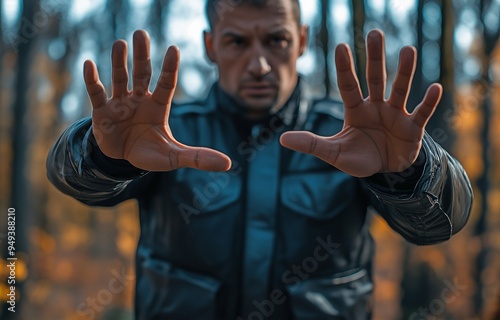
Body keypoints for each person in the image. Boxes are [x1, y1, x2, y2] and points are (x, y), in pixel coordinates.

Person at [46, 0, 473, 319]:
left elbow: (441, 224)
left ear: (302, 41)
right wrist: (103, 156)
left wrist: (411, 171)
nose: (261, 64)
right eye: (237, 42)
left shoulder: (355, 139)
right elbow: (74, 181)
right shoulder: (167, 136)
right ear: (211, 46)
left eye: (277, 40)